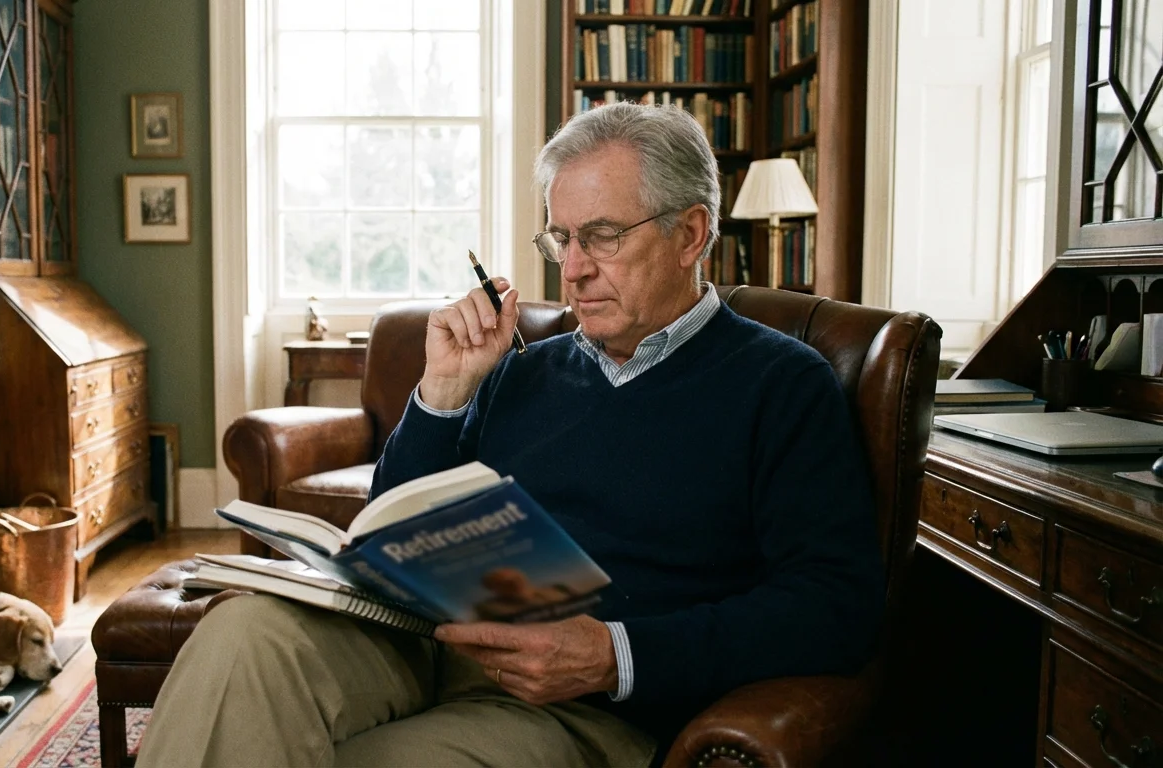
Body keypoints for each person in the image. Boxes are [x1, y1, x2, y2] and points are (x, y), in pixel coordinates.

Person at [136, 103, 883, 767]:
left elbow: (831, 609)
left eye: (603, 236)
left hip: (588, 708)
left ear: (691, 234)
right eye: (561, 238)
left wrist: (614, 655)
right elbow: (387, 531)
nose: (575, 269)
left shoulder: (782, 384)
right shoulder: (521, 369)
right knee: (241, 639)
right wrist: (441, 396)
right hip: (428, 644)